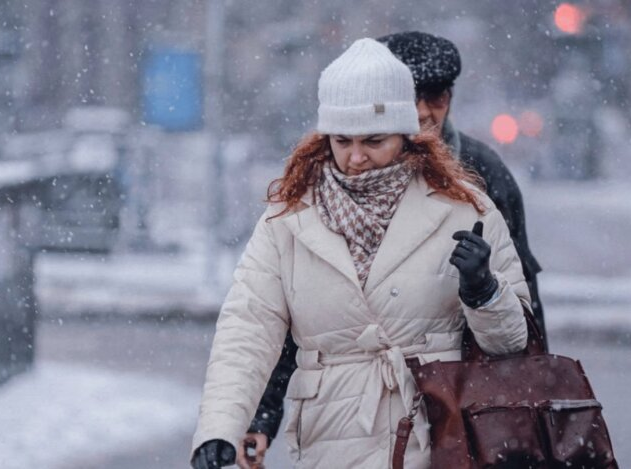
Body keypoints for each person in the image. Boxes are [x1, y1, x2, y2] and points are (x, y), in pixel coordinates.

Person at [190, 38, 531, 469]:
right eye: (341, 140)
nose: (355, 158)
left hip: (440, 440)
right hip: (330, 443)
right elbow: (249, 327)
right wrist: (221, 428)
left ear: (407, 136)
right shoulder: (288, 220)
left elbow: (514, 345)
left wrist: (484, 292)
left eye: (373, 140)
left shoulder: (466, 208)